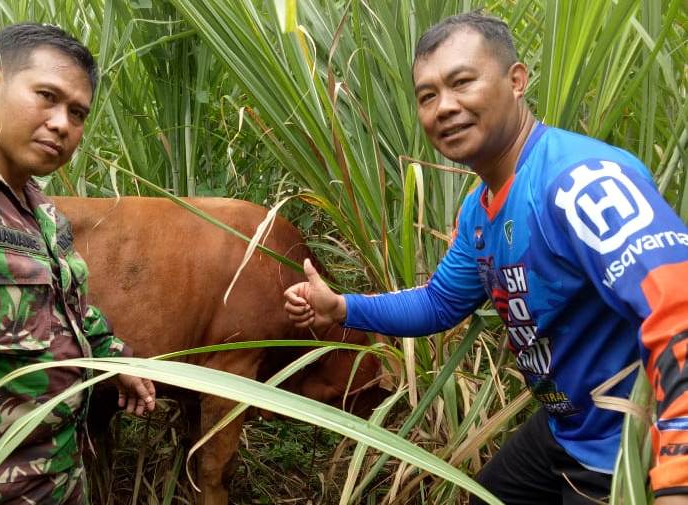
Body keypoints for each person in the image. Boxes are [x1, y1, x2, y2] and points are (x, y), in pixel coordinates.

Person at [284, 12, 688, 505]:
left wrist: (678, 480)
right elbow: (438, 303)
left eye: (462, 83)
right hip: (567, 428)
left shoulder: (580, 183)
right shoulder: (480, 211)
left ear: (516, 81)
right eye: (427, 96)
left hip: (624, 449)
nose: (444, 107)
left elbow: (679, 307)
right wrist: (342, 308)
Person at [0, 23, 156, 504]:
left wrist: (115, 358)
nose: (62, 124)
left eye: (78, 113)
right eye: (47, 96)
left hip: (57, 479)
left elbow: (67, 312)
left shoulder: (41, 212)